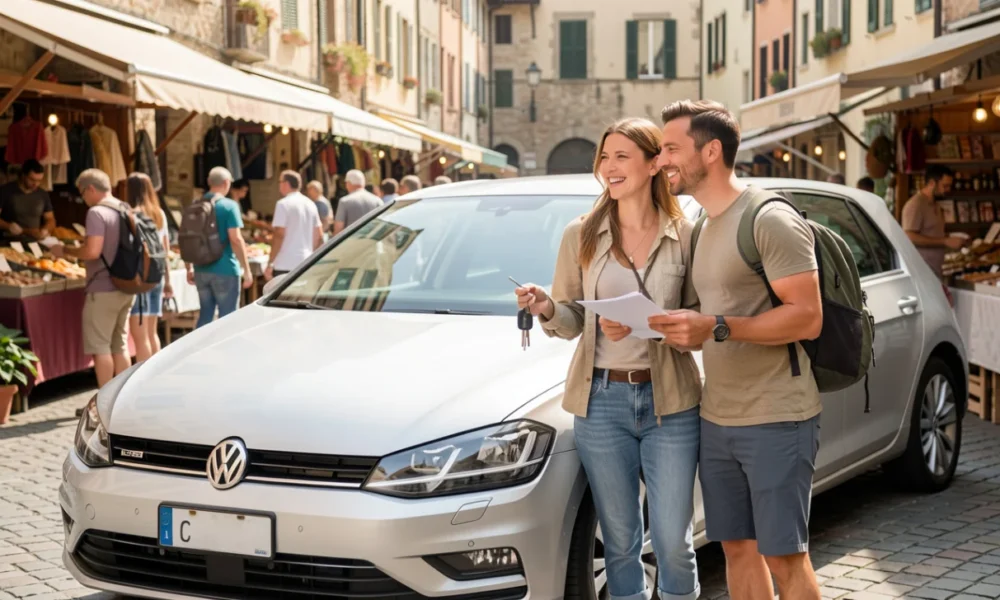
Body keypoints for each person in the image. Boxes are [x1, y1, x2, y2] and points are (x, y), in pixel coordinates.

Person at [515, 118, 702, 600]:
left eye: (621, 156)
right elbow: (572, 316)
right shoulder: (582, 233)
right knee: (620, 542)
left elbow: (703, 318)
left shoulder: (685, 232)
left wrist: (655, 325)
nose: (609, 167)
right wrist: (545, 307)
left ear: (653, 161)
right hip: (601, 402)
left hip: (671, 403)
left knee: (672, 540)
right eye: (604, 157)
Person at [649, 100, 824, 600]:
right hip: (719, 415)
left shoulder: (769, 218)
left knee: (785, 557)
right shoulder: (702, 225)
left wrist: (720, 328)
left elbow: (808, 318)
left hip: (776, 415)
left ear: (711, 151)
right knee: (736, 551)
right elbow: (707, 312)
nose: (662, 161)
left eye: (671, 149)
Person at [50, 169, 135, 398]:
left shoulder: (97, 213)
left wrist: (65, 250)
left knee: (100, 347)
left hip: (103, 287)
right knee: (120, 345)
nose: (83, 200)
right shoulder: (124, 208)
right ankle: (122, 399)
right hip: (127, 286)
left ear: (90, 189)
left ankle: (103, 402)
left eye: (82, 194)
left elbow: (92, 251)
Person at [186, 167, 253, 328]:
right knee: (227, 318)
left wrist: (188, 267)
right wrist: (247, 269)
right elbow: (236, 239)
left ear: (209, 182)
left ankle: (199, 350)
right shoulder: (229, 206)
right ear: (226, 183)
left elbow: (188, 239)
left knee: (205, 316)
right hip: (225, 269)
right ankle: (226, 352)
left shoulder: (195, 205)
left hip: (201, 269)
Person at [125, 173, 172, 362]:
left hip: (139, 275)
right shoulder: (159, 213)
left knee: (139, 335)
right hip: (157, 274)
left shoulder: (131, 214)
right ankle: (155, 373)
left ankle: (142, 379)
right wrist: (168, 280)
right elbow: (165, 249)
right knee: (152, 333)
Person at [902, 165, 962, 279]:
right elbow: (909, 236)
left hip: (935, 269)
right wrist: (944, 241)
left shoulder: (936, 204)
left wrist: (950, 239)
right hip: (921, 271)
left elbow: (933, 234)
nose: (948, 189)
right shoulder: (915, 205)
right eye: (945, 186)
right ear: (931, 183)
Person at [265, 171, 323, 280]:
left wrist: (270, 262)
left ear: (286, 184)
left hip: (284, 263)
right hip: (305, 261)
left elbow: (279, 235)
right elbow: (319, 236)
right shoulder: (310, 204)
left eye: (280, 182)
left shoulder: (283, 204)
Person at [0, 159, 56, 240]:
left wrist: (46, 229)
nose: (35, 184)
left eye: (39, 180)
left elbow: (50, 219)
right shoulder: (5, 190)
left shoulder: (43, 194)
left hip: (34, 240)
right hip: (10, 239)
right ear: (23, 175)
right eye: (32, 180)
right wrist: (8, 226)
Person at [334, 170, 383, 234]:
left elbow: (339, 228)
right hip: (372, 241)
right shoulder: (377, 200)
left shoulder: (344, 201)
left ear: (349, 183)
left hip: (351, 242)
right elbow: (381, 225)